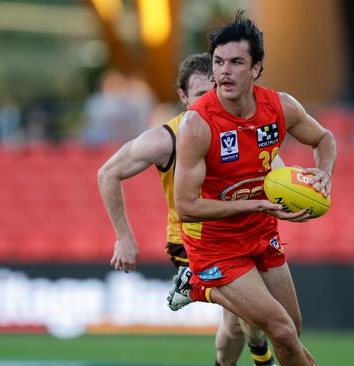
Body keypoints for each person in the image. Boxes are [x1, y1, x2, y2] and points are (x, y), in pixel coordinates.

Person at [171, 12, 337, 366]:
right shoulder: (198, 123)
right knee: (280, 329)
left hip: (262, 234)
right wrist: (259, 204)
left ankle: (205, 291)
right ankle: (201, 282)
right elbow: (186, 207)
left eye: (236, 62)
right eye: (218, 62)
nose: (224, 71)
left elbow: (324, 139)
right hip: (216, 246)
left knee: (292, 330)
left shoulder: (280, 106)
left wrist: (324, 173)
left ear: (257, 68)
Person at [97, 53, 279, 366]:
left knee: (235, 324)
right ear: (183, 97)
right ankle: (262, 358)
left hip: (238, 232)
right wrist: (124, 237)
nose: (210, 101)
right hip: (190, 241)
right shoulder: (165, 140)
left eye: (215, 92)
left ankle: (228, 349)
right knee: (251, 312)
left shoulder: (241, 129)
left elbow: (274, 168)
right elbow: (107, 173)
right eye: (200, 95)